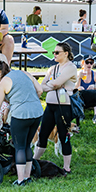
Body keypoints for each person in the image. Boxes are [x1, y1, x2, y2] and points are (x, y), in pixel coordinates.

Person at [0, 61, 43, 186]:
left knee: (19, 147)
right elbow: (40, 90)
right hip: (37, 112)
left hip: (20, 115)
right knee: (27, 146)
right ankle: (27, 177)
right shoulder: (23, 72)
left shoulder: (3, 82)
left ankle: (20, 180)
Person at [33, 42, 77, 173]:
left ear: (66, 53)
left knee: (63, 135)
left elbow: (56, 83)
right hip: (50, 106)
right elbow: (42, 86)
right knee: (43, 134)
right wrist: (53, 85)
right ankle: (35, 162)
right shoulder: (53, 68)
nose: (54, 55)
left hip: (63, 107)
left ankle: (66, 168)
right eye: (54, 52)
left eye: (57, 52)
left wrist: (52, 84)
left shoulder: (70, 67)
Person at [75, 54, 96, 124]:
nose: (89, 64)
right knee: (79, 89)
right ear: (83, 63)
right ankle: (81, 114)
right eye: (87, 62)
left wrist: (94, 86)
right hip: (81, 100)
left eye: (91, 62)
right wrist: (79, 78)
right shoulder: (78, 73)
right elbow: (74, 88)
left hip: (92, 100)